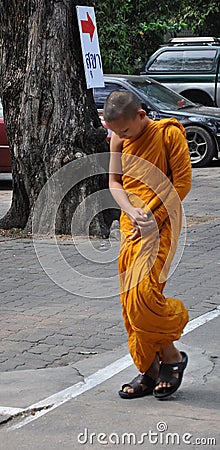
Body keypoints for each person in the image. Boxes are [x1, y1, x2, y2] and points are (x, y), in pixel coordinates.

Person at [103, 90, 192, 399]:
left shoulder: (167, 135)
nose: (121, 137)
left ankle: (169, 357)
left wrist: (151, 216)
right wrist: (130, 212)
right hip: (132, 224)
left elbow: (182, 183)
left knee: (145, 292)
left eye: (125, 131)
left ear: (141, 116)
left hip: (162, 221)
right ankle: (152, 367)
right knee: (130, 300)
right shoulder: (118, 139)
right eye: (115, 132)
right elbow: (115, 183)